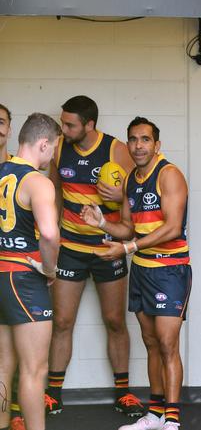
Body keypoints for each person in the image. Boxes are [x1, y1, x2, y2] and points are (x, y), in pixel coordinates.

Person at [80, 117, 191, 430]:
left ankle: (172, 419)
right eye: (133, 139)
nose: (138, 145)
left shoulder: (169, 175)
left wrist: (127, 248)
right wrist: (102, 223)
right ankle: (155, 414)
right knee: (151, 342)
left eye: (145, 139)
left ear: (157, 145)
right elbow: (128, 227)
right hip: (142, 269)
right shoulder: (130, 178)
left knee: (168, 343)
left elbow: (171, 227)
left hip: (170, 270)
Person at [46, 95, 143, 416]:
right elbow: (56, 190)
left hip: (107, 248)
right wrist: (54, 237)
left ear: (90, 125)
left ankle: (123, 392)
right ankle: (53, 392)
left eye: (70, 124)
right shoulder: (60, 148)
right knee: (61, 321)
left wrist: (122, 193)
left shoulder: (115, 150)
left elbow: (138, 192)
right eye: (63, 122)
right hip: (70, 248)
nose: (64, 128)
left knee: (115, 321)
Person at [0, 113, 61, 430]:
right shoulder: (37, 181)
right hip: (23, 278)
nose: (52, 157)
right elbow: (50, 234)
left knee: (2, 365)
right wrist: (49, 269)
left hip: (0, 274)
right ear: (43, 143)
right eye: (53, 149)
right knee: (34, 369)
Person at [0, 104, 26, 430]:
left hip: (12, 274)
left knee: (11, 352)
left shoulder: (21, 171)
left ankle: (11, 413)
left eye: (1, 122)